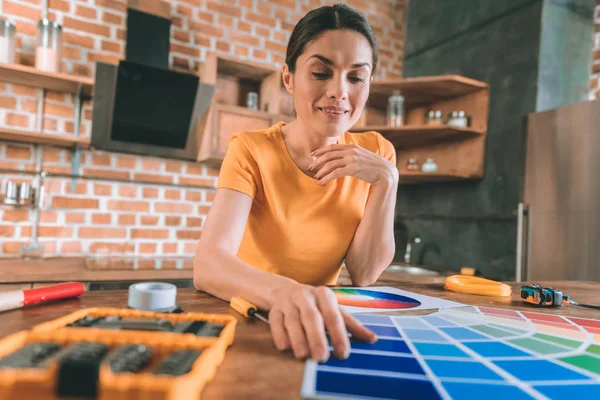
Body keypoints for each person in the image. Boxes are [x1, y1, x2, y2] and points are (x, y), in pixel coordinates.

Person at [193, 4, 398, 363]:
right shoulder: (251, 150)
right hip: (253, 315)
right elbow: (209, 264)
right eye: (321, 73)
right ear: (288, 78)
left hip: (322, 321)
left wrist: (387, 181)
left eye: (355, 77)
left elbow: (365, 273)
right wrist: (286, 292)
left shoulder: (378, 152)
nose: (339, 92)